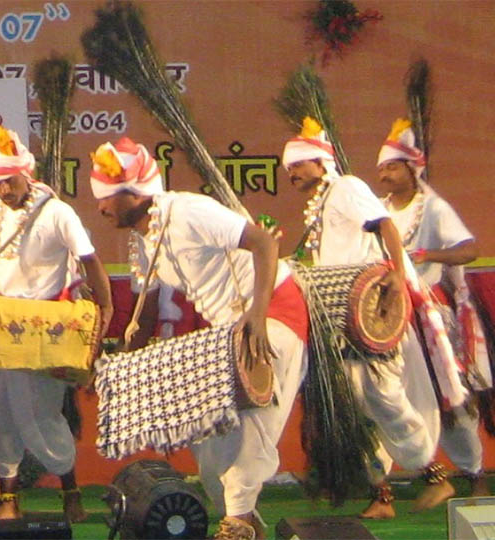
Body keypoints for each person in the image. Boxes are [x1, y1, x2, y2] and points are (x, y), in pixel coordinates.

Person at [89, 137, 308, 540]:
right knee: (208, 436)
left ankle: (238, 523)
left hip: (272, 315)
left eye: (106, 198)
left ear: (135, 194)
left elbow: (263, 242)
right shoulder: (145, 240)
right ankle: (244, 522)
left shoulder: (188, 211)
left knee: (249, 424)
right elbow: (145, 314)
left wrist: (257, 315)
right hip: (228, 332)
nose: (100, 207)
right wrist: (114, 368)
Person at [282, 117, 459, 518]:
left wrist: (396, 272)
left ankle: (434, 474)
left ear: (320, 162)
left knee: (383, 396)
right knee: (358, 406)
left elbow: (385, 225)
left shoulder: (346, 187)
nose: (291, 173)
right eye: (289, 167)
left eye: (298, 164)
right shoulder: (322, 204)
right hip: (342, 321)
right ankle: (382, 497)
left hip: (370, 316)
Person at [0, 126, 113, 523]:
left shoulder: (57, 213)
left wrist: (105, 311)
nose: (3, 190)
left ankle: (70, 489)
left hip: (48, 329)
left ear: (25, 173)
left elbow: (90, 261)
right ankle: (9, 499)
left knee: (40, 416)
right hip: (3, 327)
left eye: (8, 182)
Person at [376, 118, 490, 497]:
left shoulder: (434, 208)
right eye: (381, 168)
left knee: (450, 396)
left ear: (414, 169)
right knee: (391, 394)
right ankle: (402, 482)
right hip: (391, 315)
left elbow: (469, 250)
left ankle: (474, 475)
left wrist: (428, 254)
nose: (384, 175)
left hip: (431, 315)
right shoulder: (377, 212)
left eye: (393, 167)